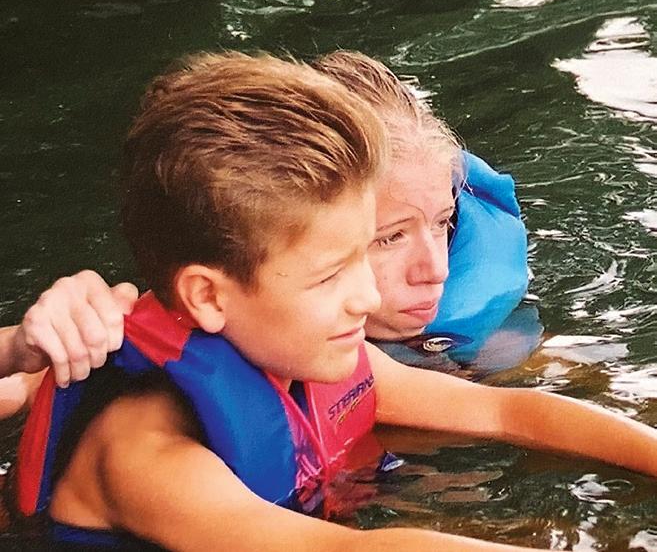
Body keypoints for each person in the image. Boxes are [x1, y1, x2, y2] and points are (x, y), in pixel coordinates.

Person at [14, 51, 657, 552]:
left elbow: (511, 413)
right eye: (330, 275)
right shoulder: (143, 456)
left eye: (362, 255)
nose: (366, 296)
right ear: (207, 296)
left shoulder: (324, 357)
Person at [1, 51, 531, 390]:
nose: (435, 269)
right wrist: (20, 348)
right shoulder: (205, 337)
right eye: (387, 238)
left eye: (442, 224)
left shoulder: (474, 326)